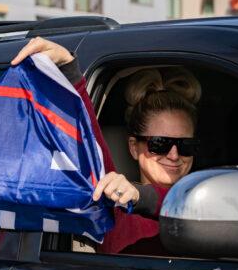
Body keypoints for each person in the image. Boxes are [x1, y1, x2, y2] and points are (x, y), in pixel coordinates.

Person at [11, 37, 201, 255]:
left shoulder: (207, 207)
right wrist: (69, 69)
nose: (174, 154)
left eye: (186, 145)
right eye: (160, 143)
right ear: (133, 147)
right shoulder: (115, 201)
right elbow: (87, 135)